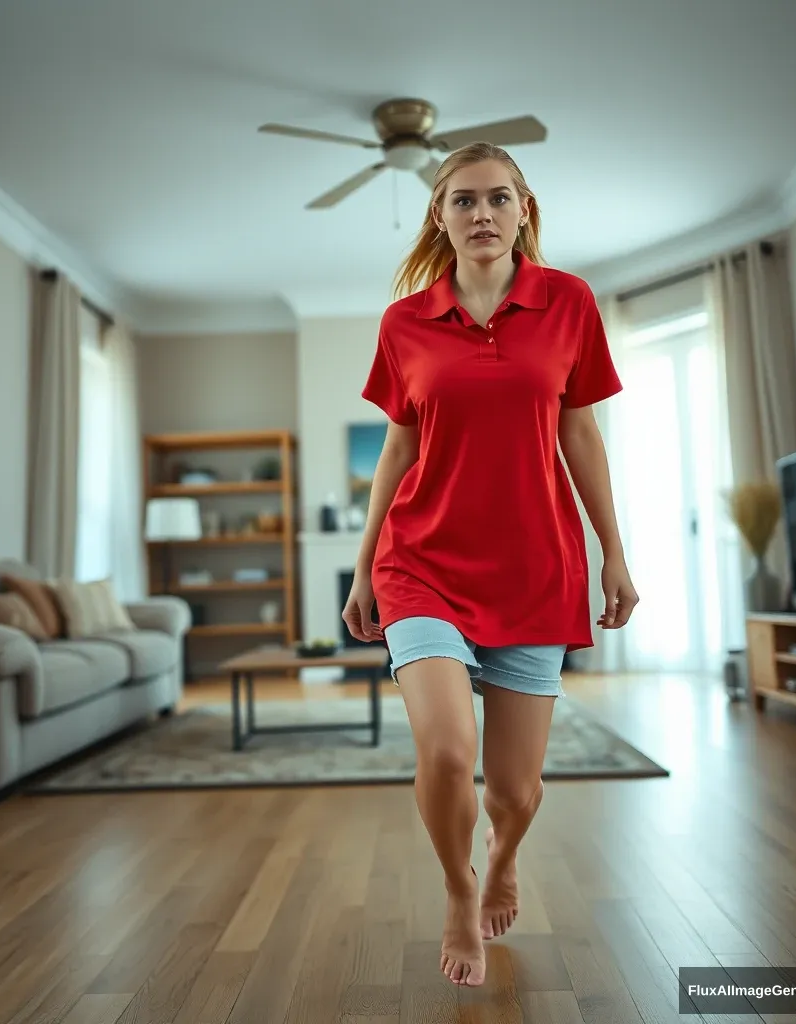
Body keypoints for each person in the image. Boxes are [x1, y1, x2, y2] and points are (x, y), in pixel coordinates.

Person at [342, 142, 638, 988]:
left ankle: (503, 855)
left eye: (498, 199)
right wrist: (366, 567)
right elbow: (398, 448)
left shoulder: (569, 303)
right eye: (463, 201)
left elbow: (580, 431)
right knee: (443, 753)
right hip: (421, 563)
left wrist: (613, 550)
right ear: (439, 216)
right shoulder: (405, 323)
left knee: (516, 792)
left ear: (523, 210)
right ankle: (456, 888)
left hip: (535, 568)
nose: (481, 214)